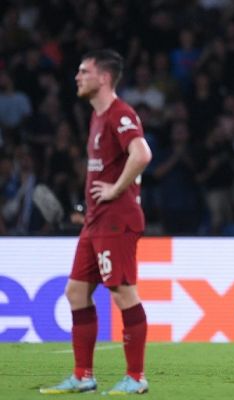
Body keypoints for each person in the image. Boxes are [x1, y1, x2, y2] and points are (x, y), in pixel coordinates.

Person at [40, 49, 152, 394]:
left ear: (103, 78)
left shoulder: (120, 114)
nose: (77, 77)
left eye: (83, 71)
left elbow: (142, 154)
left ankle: (136, 378)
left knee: (122, 293)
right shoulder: (97, 116)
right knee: (76, 292)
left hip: (115, 221)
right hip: (96, 221)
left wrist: (120, 190)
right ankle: (83, 375)